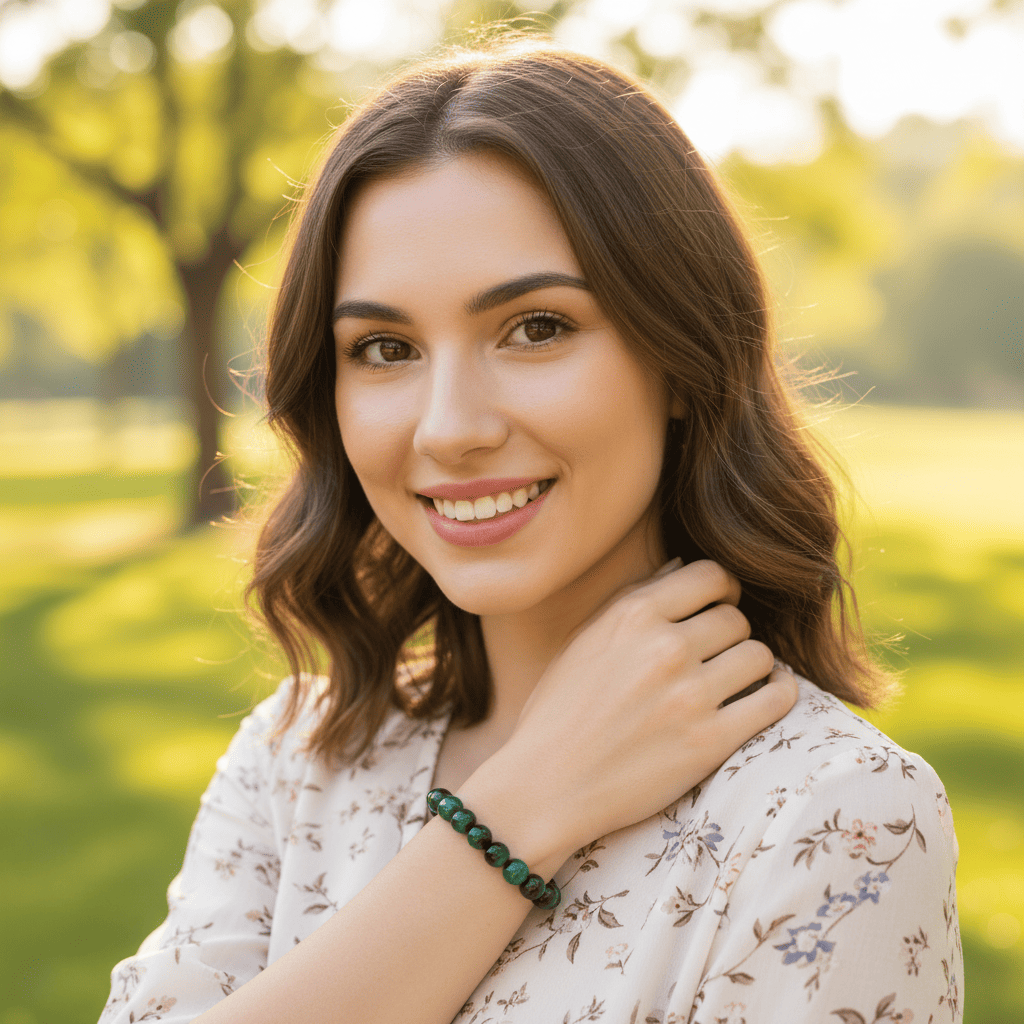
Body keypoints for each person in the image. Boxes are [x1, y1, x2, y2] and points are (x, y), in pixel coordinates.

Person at [99, 38, 962, 1024]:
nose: (450, 426)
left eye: (536, 327)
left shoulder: (835, 814)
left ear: (680, 357)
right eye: (385, 348)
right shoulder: (297, 760)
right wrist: (516, 811)